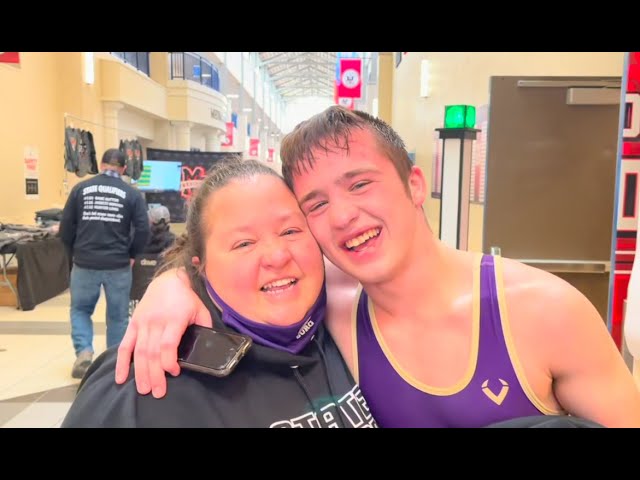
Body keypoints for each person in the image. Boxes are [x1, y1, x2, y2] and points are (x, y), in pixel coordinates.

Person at [118, 106, 640, 428]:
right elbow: (250, 273)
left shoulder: (543, 313)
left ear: (415, 184)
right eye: (316, 204)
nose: (344, 216)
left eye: (361, 183)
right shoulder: (333, 309)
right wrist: (176, 279)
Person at [61, 159, 376, 428]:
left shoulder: (352, 324)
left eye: (290, 231)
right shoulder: (145, 382)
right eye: (244, 243)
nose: (277, 256)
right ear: (201, 266)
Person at [60, 148, 150, 379]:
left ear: (101, 165)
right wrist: (133, 254)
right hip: (118, 264)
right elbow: (143, 229)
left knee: (80, 309)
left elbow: (66, 227)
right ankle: (114, 360)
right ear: (122, 168)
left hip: (84, 261)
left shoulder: (80, 189)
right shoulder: (131, 194)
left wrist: (74, 253)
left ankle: (84, 355)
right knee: (118, 316)